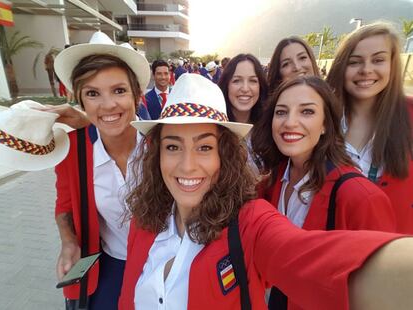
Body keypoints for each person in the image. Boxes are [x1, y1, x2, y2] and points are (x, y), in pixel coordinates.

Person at [119, 73, 413, 310]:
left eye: (204, 147)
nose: (187, 165)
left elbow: (311, 257)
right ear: (156, 154)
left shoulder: (249, 222)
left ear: (224, 155)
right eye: (172, 146)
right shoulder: (144, 220)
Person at [252, 76, 396, 309]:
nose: (290, 122)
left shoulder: (360, 197)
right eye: (281, 112)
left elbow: (381, 288)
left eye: (306, 112)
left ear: (326, 124)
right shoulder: (273, 180)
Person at [52, 31, 150, 309]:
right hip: (109, 267)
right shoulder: (72, 149)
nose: (108, 105)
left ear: (137, 95)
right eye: (93, 93)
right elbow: (65, 206)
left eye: (119, 90)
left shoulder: (162, 146)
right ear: (81, 103)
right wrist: (69, 241)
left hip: (163, 264)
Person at [326, 22, 413, 233]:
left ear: (392, 65)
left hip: (396, 252)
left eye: (378, 60)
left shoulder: (410, 115)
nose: (366, 70)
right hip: (335, 248)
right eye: (355, 62)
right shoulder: (323, 118)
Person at [218, 53, 268, 175]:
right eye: (237, 80)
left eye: (253, 81)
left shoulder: (269, 127)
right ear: (226, 85)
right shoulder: (215, 130)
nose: (245, 88)